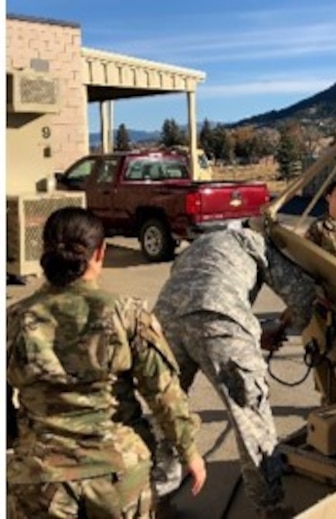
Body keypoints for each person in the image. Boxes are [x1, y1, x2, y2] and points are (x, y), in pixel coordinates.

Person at [6, 207, 206, 519]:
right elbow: (164, 392)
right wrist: (189, 452)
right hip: (117, 477)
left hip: (41, 478)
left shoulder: (14, 319)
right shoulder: (127, 315)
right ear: (101, 253)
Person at [151, 218, 321, 519]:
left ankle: (158, 502)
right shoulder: (256, 242)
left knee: (168, 411)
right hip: (219, 318)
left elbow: (201, 290)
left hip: (165, 321)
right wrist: (303, 321)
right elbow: (301, 295)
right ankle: (272, 508)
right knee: (250, 416)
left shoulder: (199, 246)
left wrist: (255, 334)